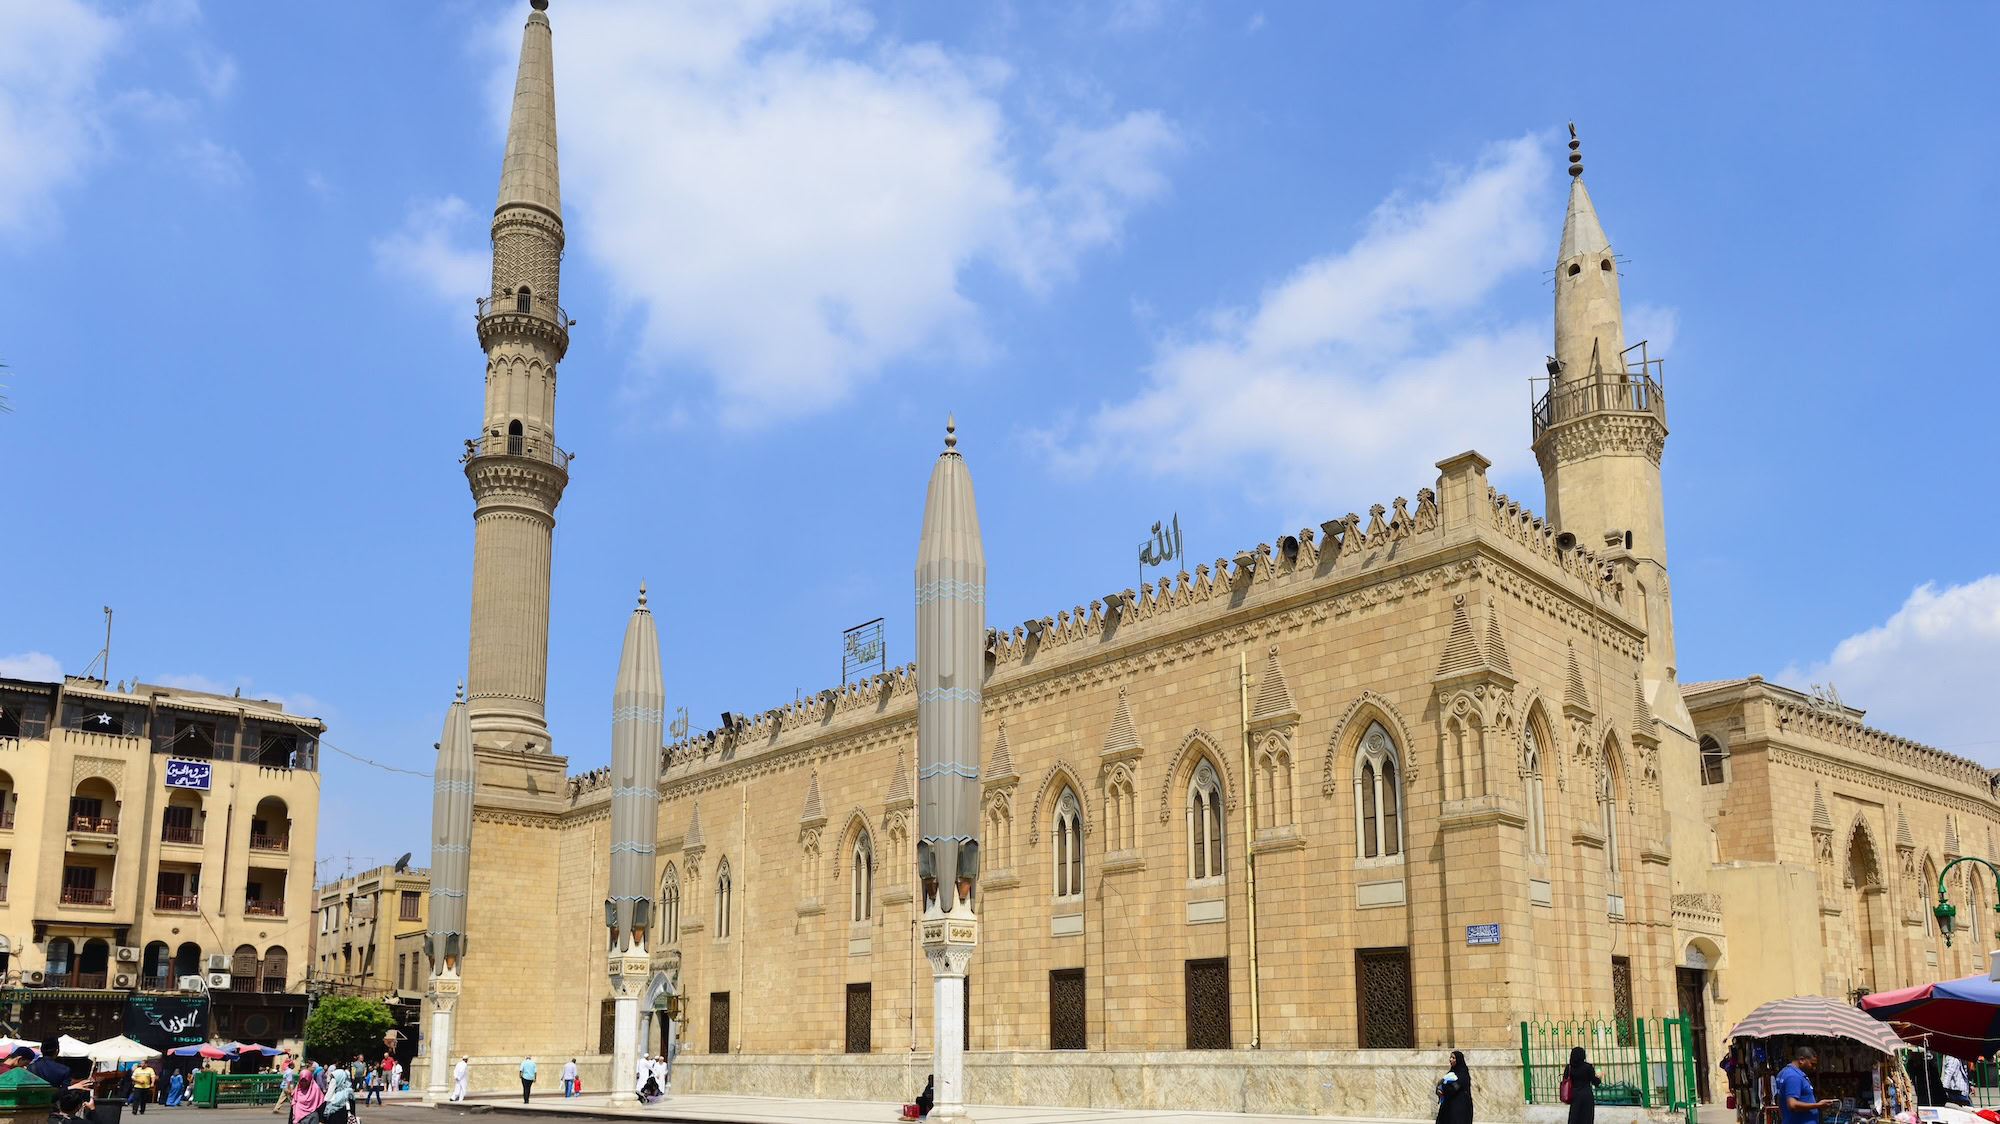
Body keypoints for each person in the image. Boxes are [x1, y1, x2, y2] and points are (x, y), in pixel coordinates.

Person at [1777, 1046, 1837, 1124]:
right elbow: (1792, 1104)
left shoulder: (1784, 1072)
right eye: (1812, 1064)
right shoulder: (1794, 1076)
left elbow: (1779, 1100)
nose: (1814, 1068)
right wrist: (1818, 1105)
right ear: (1801, 1060)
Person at [1564, 1046, 1601, 1124]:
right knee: (1586, 1118)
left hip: (1574, 1095)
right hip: (1586, 1096)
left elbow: (1565, 1080)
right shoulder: (1588, 1067)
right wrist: (1598, 1077)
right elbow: (1596, 1082)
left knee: (1575, 1117)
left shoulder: (1569, 1067)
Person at [1436, 1050, 1473, 1124]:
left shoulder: (1463, 1074)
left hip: (1459, 1109)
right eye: (1450, 1057)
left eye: (1453, 1058)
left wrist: (1442, 1087)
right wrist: (1438, 1090)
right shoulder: (1452, 1072)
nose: (1450, 1060)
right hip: (1448, 1108)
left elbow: (1453, 1088)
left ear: (1458, 1060)